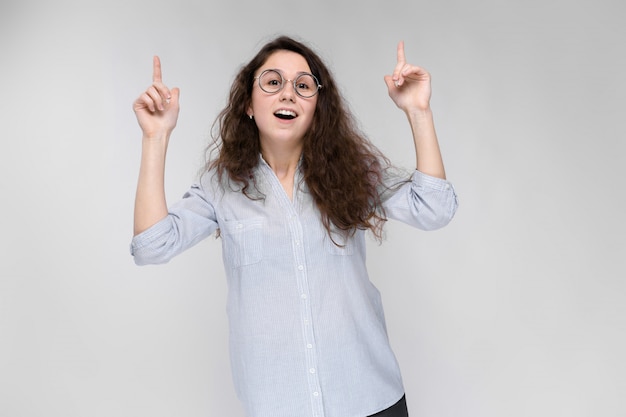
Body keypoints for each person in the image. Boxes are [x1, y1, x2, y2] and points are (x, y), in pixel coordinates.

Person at [131, 35, 457, 417]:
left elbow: (434, 209)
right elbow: (151, 246)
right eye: (272, 82)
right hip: (278, 405)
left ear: (318, 107)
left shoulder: (354, 172)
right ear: (249, 104)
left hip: (369, 397)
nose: (288, 93)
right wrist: (156, 137)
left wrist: (418, 112)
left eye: (303, 86)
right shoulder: (219, 187)